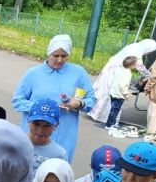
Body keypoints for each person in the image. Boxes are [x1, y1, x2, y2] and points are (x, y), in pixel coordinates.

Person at [11, 34, 96, 162]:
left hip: (64, 134)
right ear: (48, 53)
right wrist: (41, 108)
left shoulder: (78, 73)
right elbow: (17, 101)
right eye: (55, 55)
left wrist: (79, 103)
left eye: (64, 56)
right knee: (27, 169)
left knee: (57, 174)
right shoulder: (33, 74)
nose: (60, 60)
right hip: (35, 133)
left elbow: (92, 100)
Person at [88, 39, 156, 126]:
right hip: (116, 70)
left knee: (104, 90)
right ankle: (107, 120)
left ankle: (95, 112)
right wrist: (151, 76)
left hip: (112, 68)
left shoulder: (134, 46)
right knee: (112, 97)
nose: (149, 53)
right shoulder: (136, 54)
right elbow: (140, 68)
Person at [23, 98, 68, 182]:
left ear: (56, 126)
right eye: (36, 124)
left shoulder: (59, 154)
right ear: (28, 121)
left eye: (47, 125)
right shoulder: (16, 143)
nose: (40, 130)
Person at [105, 56, 138, 131]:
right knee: (115, 110)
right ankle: (109, 125)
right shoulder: (128, 73)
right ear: (131, 65)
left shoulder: (119, 70)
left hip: (113, 92)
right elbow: (122, 85)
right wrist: (126, 94)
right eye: (135, 64)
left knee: (113, 109)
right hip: (119, 95)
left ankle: (112, 123)